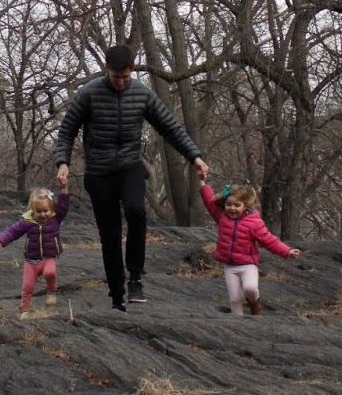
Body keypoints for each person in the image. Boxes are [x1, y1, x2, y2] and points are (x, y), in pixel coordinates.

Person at [54, 44, 209, 311]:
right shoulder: (88, 93)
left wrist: (194, 156)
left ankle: (135, 277)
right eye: (116, 77)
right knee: (110, 234)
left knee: (136, 211)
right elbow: (67, 131)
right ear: (107, 69)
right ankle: (117, 295)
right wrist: (63, 163)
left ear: (132, 70)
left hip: (130, 166)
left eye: (125, 77)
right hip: (99, 171)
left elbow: (170, 127)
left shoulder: (142, 93)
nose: (121, 82)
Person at [199, 176, 301, 316]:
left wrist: (287, 251)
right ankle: (238, 323)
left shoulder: (254, 223)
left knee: (250, 288)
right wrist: (201, 181)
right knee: (235, 299)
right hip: (230, 266)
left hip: (248, 264)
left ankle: (254, 303)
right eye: (229, 205)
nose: (232, 208)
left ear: (245, 206)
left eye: (237, 205)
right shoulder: (222, 217)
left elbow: (269, 240)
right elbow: (209, 200)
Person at [0, 186, 69, 318]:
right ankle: (25, 308)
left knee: (50, 272)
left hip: (48, 257)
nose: (43, 214)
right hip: (31, 260)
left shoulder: (55, 219)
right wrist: (1, 241)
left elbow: (63, 206)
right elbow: (13, 231)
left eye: (46, 210)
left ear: (51, 208)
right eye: (38, 211)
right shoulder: (27, 221)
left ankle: (51, 291)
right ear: (33, 210)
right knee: (28, 286)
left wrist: (64, 189)